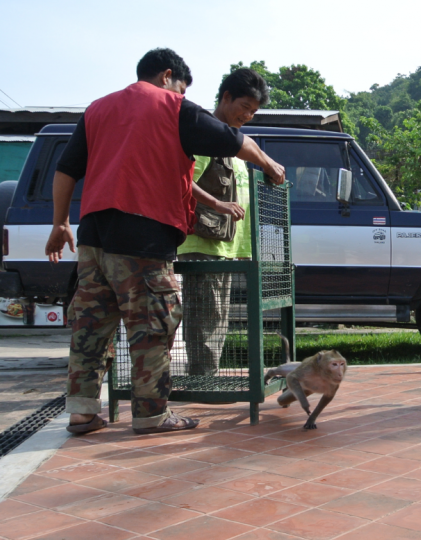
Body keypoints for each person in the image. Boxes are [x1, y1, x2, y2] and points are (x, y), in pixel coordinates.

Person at [45, 48, 285, 435]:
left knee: (91, 325)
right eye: (181, 86)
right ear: (168, 76)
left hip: (92, 237)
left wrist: (59, 223)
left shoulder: (97, 109)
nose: (181, 93)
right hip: (142, 236)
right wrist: (270, 165)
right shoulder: (174, 107)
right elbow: (234, 140)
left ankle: (82, 412)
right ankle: (152, 415)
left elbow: (66, 169)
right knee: (153, 325)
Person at [178, 68, 267, 377]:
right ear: (226, 97)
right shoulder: (206, 135)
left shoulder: (236, 144)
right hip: (204, 245)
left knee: (218, 319)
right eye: (245, 107)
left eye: (254, 111)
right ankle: (202, 381)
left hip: (224, 248)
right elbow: (181, 180)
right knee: (205, 318)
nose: (249, 116)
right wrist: (216, 204)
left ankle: (207, 377)